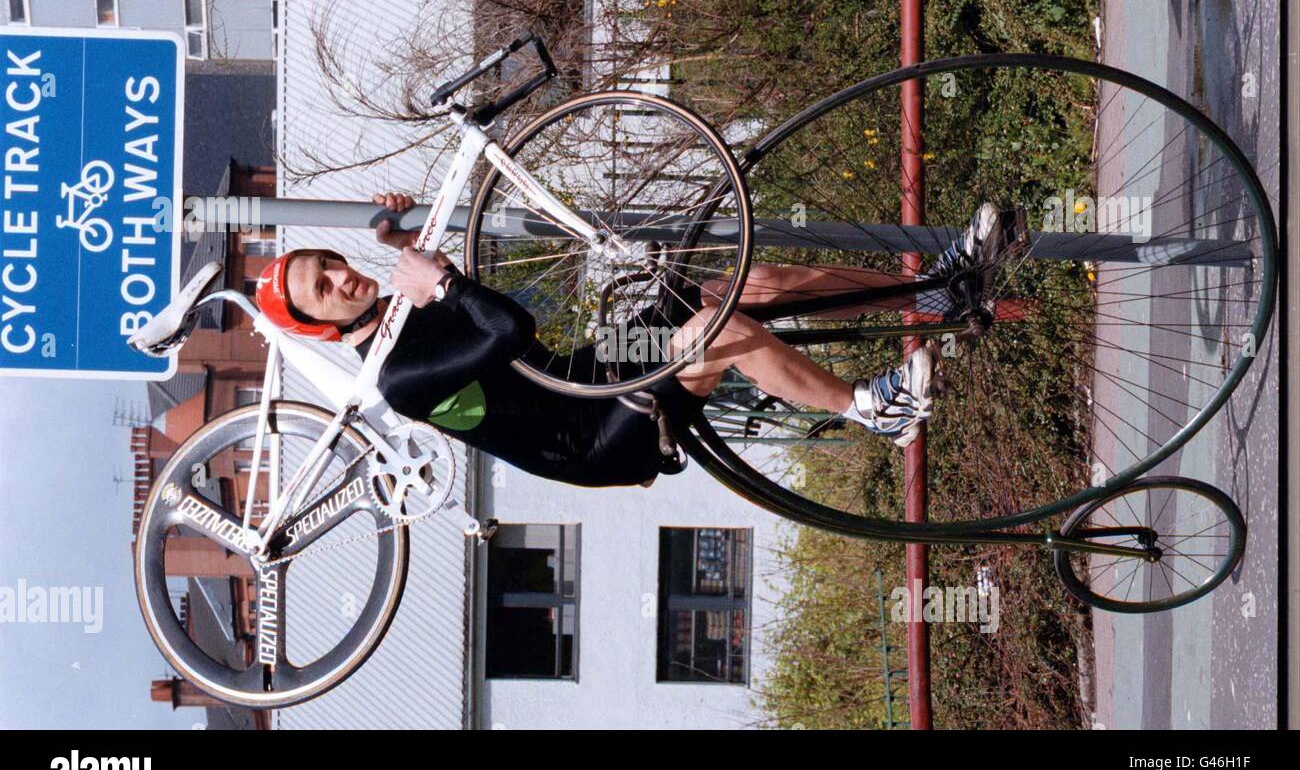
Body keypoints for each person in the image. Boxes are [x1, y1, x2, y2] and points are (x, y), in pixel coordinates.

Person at [255, 193, 1007, 488]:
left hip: (596, 370)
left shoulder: (396, 315)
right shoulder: (395, 379)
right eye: (323, 288)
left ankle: (934, 293)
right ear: (321, 323)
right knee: (718, 334)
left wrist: (396, 232)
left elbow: (464, 306)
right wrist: (445, 283)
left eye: (331, 264)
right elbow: (509, 329)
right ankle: (874, 410)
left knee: (750, 283)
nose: (341, 278)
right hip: (596, 434)